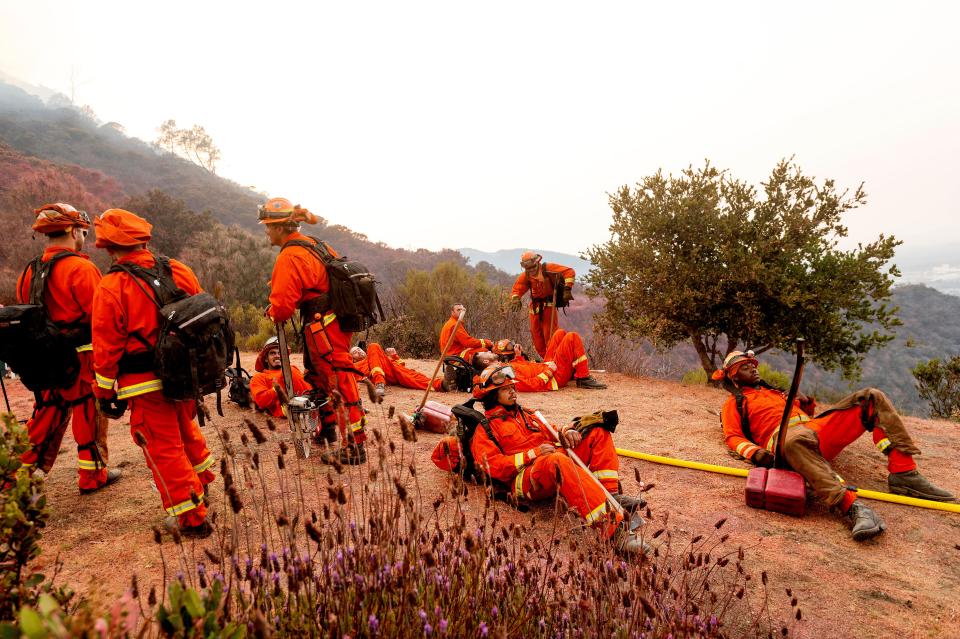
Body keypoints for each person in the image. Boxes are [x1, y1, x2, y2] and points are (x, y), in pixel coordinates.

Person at [715, 350, 955, 541]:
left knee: (871, 397)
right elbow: (733, 436)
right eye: (745, 368)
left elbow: (808, 415)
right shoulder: (734, 403)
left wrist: (805, 403)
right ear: (734, 377)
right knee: (795, 440)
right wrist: (757, 454)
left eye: (753, 365)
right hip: (786, 442)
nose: (754, 370)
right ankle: (853, 508)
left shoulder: (777, 393)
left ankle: (904, 472)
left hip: (813, 431)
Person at [91, 208, 215, 537]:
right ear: (144, 240)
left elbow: (106, 350)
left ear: (108, 248)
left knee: (163, 447)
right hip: (187, 375)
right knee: (186, 431)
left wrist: (104, 394)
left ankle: (192, 517)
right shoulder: (178, 270)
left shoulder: (111, 286)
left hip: (144, 384)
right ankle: (202, 486)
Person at [469, 363, 646, 556]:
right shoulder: (485, 429)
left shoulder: (527, 414)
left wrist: (567, 432)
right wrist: (533, 454)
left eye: (513, 387)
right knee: (556, 460)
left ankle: (610, 493)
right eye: (505, 389)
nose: (513, 392)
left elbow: (552, 430)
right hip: (526, 479)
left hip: (551, 460)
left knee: (596, 430)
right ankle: (615, 532)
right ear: (491, 395)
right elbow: (492, 466)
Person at [16, 203, 119, 494]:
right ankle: (93, 476)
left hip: (45, 358)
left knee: (46, 415)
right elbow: (100, 317)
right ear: (74, 231)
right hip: (81, 356)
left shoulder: (29, 271)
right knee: (89, 413)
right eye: (82, 231)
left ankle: (18, 477)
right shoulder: (81, 268)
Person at [260, 197, 367, 464]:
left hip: (323, 324)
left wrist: (273, 310)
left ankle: (354, 445)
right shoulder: (315, 244)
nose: (266, 231)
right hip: (334, 319)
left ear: (280, 228)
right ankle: (328, 429)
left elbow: (283, 306)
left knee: (336, 377)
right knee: (320, 376)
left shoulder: (290, 256)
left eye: (268, 226)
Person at [489, 330, 606, 390]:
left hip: (547, 367)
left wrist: (519, 356)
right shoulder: (506, 372)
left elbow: (525, 368)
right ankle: (583, 378)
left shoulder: (510, 364)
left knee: (559, 333)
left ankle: (570, 374)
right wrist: (549, 371)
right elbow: (530, 385)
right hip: (553, 377)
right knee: (572, 337)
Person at [509, 252, 575, 358]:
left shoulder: (548, 268)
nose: (531, 270)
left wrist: (568, 288)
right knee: (537, 338)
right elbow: (517, 287)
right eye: (528, 268)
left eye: (533, 267)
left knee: (550, 336)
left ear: (537, 262)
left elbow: (569, 272)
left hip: (548, 306)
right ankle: (546, 360)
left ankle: (554, 359)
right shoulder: (526, 275)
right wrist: (516, 298)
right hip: (534, 308)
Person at [350, 343, 442, 397]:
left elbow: (400, 366)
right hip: (379, 377)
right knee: (373, 345)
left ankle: (441, 384)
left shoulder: (375, 355)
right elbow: (353, 375)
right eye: (355, 352)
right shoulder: (356, 365)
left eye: (359, 349)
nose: (358, 351)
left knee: (413, 376)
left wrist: (394, 355)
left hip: (393, 372)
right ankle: (379, 383)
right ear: (353, 359)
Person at [250, 337, 312, 417]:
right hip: (287, 407)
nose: (277, 356)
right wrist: (277, 388)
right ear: (265, 358)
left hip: (306, 399)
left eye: (280, 353)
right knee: (290, 371)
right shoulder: (258, 378)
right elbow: (261, 401)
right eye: (273, 353)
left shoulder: (293, 368)